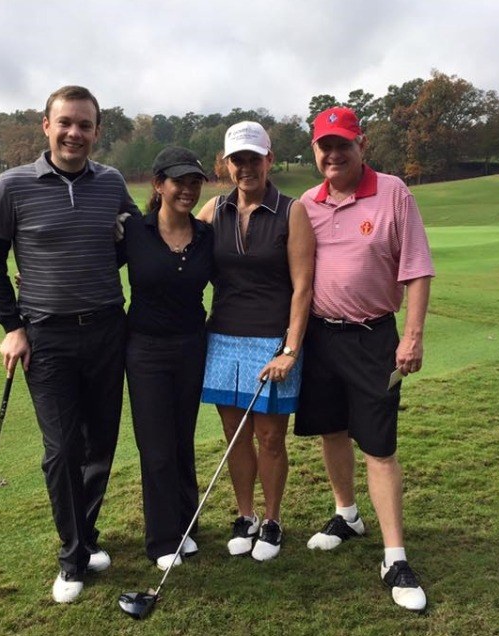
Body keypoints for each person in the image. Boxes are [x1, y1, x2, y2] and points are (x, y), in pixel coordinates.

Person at [0, 85, 141, 604]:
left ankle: (85, 536)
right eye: (65, 122)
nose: (75, 133)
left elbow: (131, 241)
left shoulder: (112, 183)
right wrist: (12, 324)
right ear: (45, 125)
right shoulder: (13, 185)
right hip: (46, 336)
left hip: (107, 329)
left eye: (85, 125)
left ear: (97, 131)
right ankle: (72, 558)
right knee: (62, 449)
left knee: (100, 445)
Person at [294, 107, 435, 611]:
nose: (333, 154)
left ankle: (394, 555)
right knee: (332, 430)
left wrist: (412, 336)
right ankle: (346, 514)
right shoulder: (306, 204)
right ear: (314, 150)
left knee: (378, 446)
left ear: (362, 144)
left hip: (375, 338)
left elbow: (416, 269)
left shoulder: (393, 191)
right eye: (324, 146)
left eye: (342, 145)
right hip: (321, 338)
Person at [196, 121, 315, 562]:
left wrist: (290, 349)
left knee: (269, 436)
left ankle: (272, 518)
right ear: (225, 164)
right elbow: (178, 253)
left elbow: (303, 287)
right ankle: (245, 516)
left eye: (253, 158)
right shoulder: (215, 211)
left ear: (269, 159)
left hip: (271, 339)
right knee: (234, 434)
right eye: (237, 159)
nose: (245, 167)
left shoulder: (291, 211)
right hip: (223, 336)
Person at [121, 146, 213, 571]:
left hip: (192, 346)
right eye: (179, 181)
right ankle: (161, 539)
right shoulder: (133, 233)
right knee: (156, 445)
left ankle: (185, 525)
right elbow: (92, 266)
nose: (188, 190)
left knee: (182, 438)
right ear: (159, 185)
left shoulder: (206, 235)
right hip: (145, 350)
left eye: (195, 182)